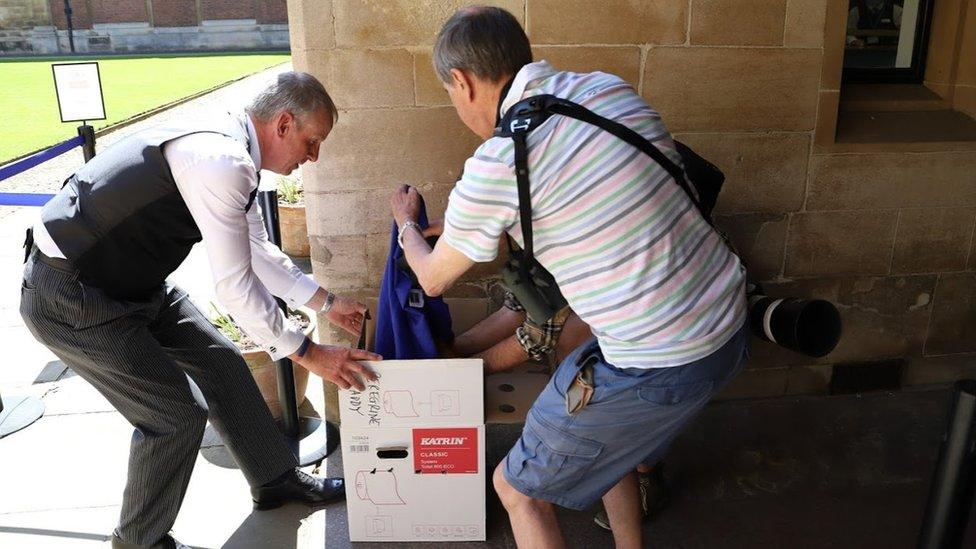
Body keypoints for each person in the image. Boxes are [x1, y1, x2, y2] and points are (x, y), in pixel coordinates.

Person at [391, 7, 748, 548]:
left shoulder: (498, 161)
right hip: (731, 323)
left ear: (461, 82)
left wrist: (406, 228)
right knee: (610, 444)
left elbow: (433, 278)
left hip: (658, 362)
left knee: (516, 489)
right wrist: (474, 219)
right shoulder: (607, 90)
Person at [20, 72, 381, 549]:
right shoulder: (223, 161)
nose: (313, 157)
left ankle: (275, 480)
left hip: (129, 280)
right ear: (284, 124)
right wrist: (307, 352)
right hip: (71, 292)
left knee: (223, 363)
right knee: (173, 415)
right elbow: (235, 286)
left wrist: (326, 303)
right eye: (312, 142)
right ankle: (139, 542)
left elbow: (255, 250)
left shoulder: (236, 153)